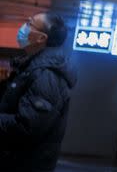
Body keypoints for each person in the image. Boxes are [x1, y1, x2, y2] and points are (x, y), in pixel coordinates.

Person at [0, 12, 77, 172]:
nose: (23, 27)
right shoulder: (31, 68)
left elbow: (27, 127)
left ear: (41, 38)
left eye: (30, 23)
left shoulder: (46, 75)